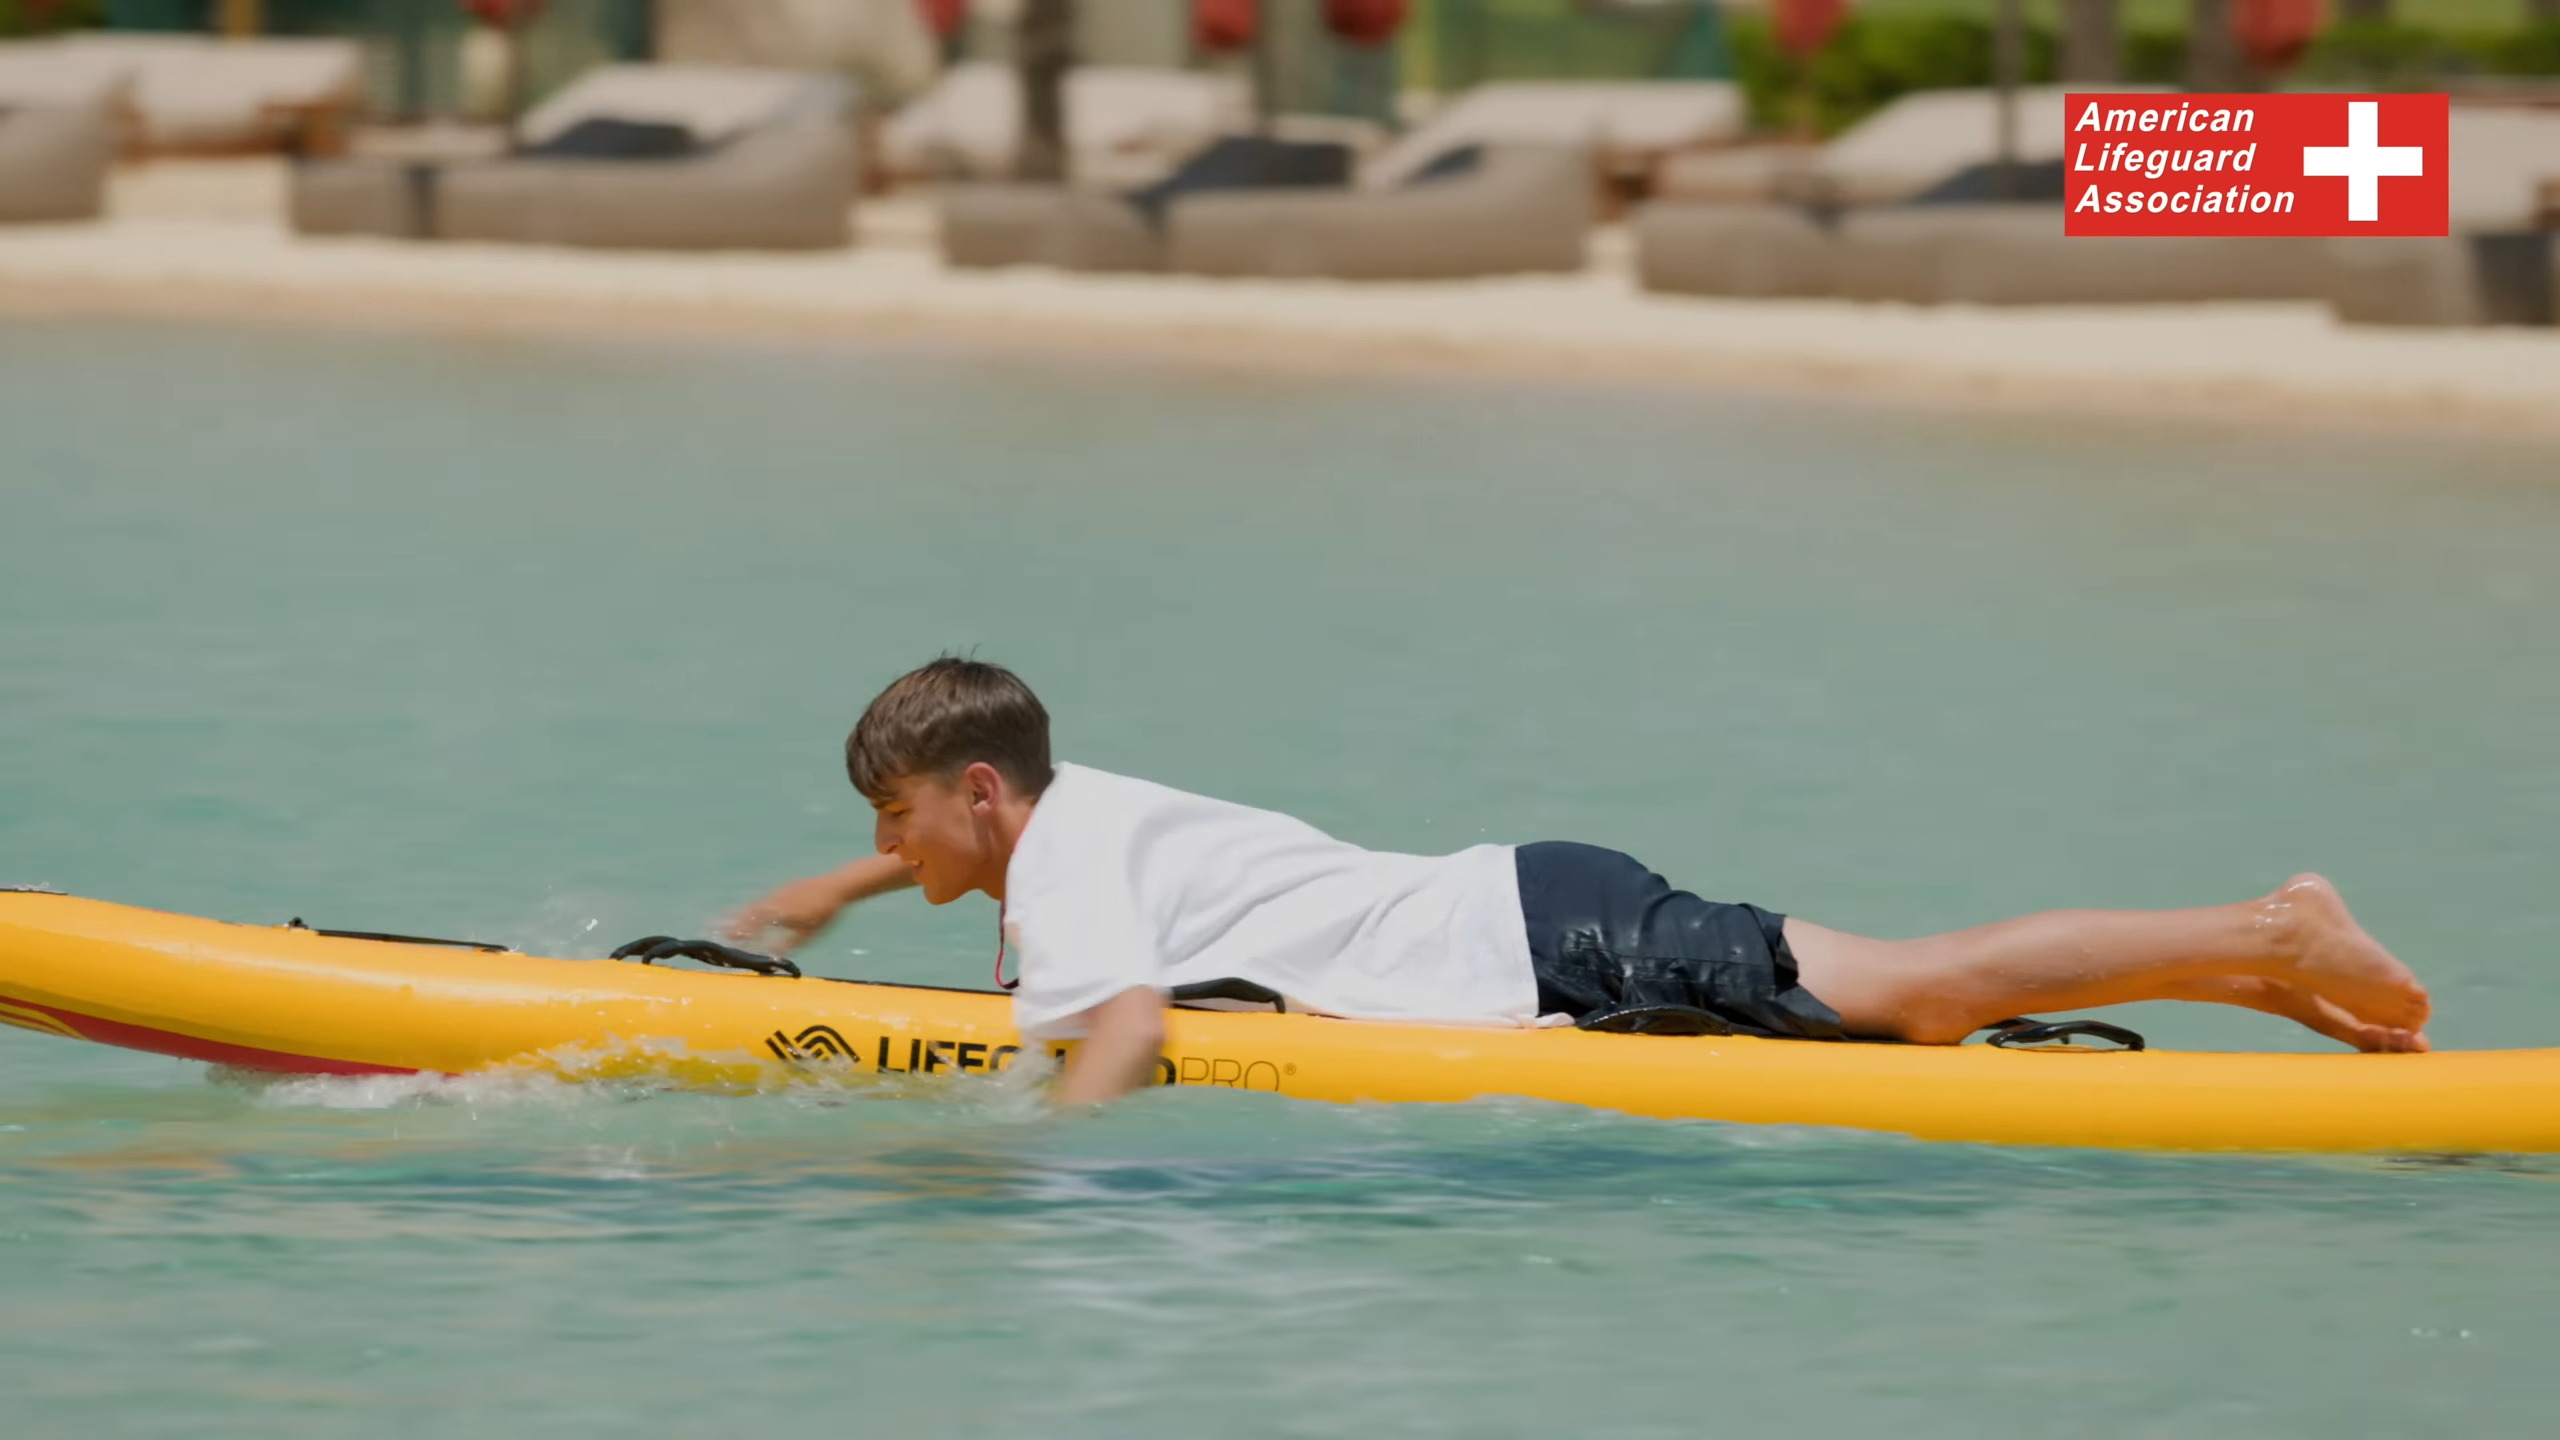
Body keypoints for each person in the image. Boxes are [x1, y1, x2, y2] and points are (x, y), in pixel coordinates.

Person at [728, 658, 2432, 1107]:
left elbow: (1125, 1023)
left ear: (975, 792)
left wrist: (1041, 1165)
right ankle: (2251, 978)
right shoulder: (1063, 803)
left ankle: (2265, 926)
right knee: (1917, 1008)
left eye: (892, 823)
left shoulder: (1078, 857)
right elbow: (970, 859)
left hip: (1545, 941)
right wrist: (834, 891)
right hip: (1537, 909)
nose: (890, 852)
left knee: (1922, 995)